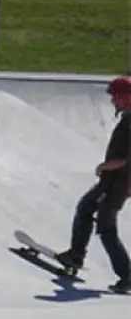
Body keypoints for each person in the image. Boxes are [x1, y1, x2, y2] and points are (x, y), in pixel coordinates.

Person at [54, 76, 131, 294]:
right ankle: (76, 255)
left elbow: (126, 158)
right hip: (114, 182)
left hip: (116, 183)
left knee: (106, 227)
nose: (112, 102)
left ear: (126, 97)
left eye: (115, 97)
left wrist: (105, 166)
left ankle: (126, 275)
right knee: (86, 208)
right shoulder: (127, 117)